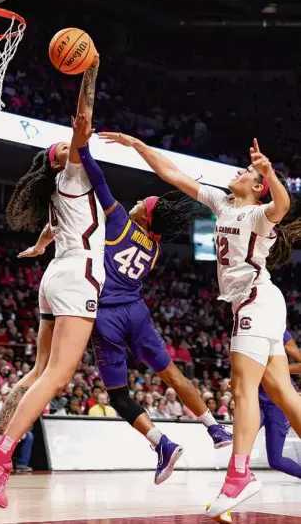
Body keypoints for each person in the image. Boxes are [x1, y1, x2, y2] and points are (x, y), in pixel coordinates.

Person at [22, 114, 232, 486]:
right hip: (137, 312)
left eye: (142, 202)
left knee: (118, 395)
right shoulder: (152, 249)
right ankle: (214, 429)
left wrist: (82, 147)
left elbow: (98, 181)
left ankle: (161, 443)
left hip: (105, 315)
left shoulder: (119, 221)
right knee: (172, 373)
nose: (136, 201)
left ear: (145, 216)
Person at [99, 132, 301, 516]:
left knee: (244, 388)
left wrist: (269, 171)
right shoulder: (221, 203)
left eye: (244, 172)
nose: (238, 172)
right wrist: (137, 146)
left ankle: (239, 475)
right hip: (257, 303)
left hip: (256, 301)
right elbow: (173, 174)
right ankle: (240, 474)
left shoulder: (258, 214)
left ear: (256, 187)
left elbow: (283, 204)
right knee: (284, 394)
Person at [0, 56, 105, 509]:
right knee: (59, 376)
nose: (71, 145)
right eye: (64, 148)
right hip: (77, 275)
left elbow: (51, 228)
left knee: (37, 371)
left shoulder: (58, 189)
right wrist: (91, 70)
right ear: (60, 162)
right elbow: (85, 115)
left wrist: (41, 246)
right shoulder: (76, 171)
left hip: (56, 274)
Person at [258, 330, 301, 479]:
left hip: (278, 404)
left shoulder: (281, 333)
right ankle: (236, 481)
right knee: (238, 444)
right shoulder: (244, 329)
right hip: (255, 402)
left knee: (276, 460)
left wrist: (278, 371)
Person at [0, 388, 34, 472]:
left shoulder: (17, 408)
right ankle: (2, 463)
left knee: (29, 435)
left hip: (13, 432)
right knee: (7, 437)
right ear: (2, 396)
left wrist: (22, 431)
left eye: (11, 394)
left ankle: (22, 464)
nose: (9, 396)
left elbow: (22, 423)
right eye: (6, 394)